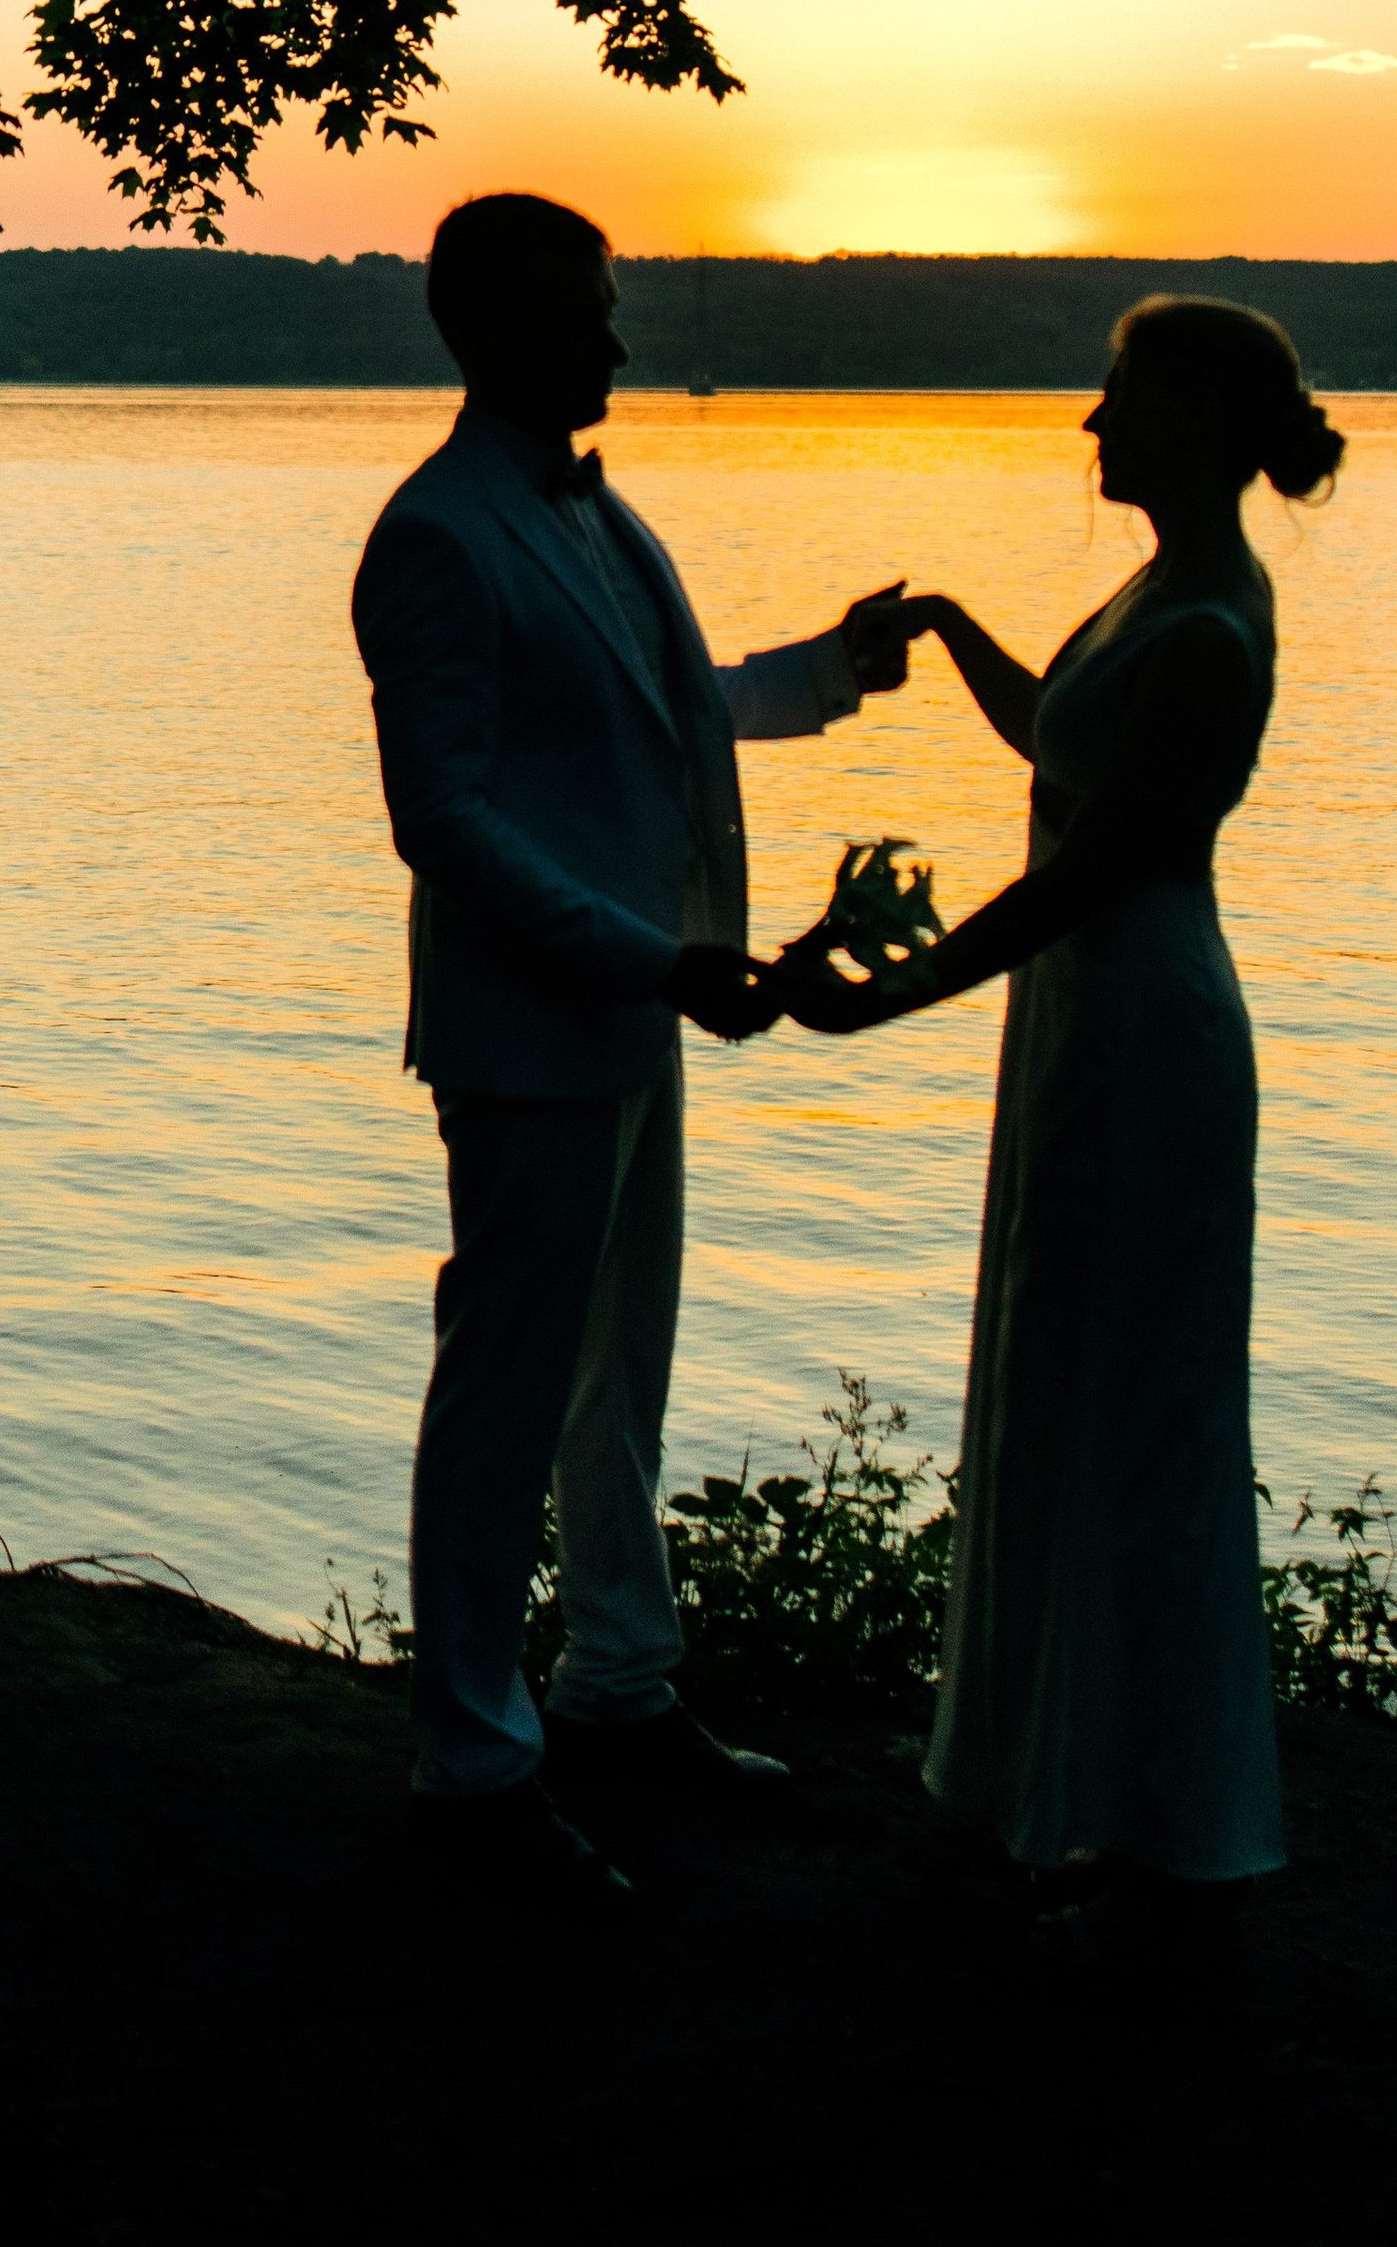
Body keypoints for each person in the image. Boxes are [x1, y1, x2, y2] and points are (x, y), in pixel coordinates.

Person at [351, 192, 914, 1908]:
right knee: (505, 1400)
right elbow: (441, 822)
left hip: (638, 1016)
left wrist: (828, 670)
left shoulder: (599, 518)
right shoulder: (439, 537)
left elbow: (661, 708)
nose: (619, 338)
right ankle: (473, 1763)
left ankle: (618, 1684)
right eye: (593, 311)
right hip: (538, 1034)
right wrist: (649, 962)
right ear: (505, 327)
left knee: (620, 1385)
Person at [772, 295, 1344, 1945]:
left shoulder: (1214, 629)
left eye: (1120, 401)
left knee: (1139, 1407)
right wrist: (950, 625)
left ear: (1200, 426)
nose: (1091, 429)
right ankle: (1059, 1781)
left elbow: (1089, 870)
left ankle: (1156, 1825)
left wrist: (883, 999)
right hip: (1085, 1023)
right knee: (1063, 1370)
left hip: (1144, 1030)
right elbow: (1056, 742)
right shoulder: (1159, 593)